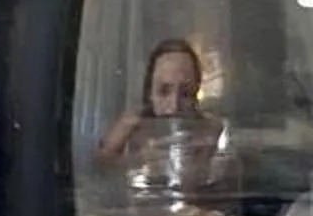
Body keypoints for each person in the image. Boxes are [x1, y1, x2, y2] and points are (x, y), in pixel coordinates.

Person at [95, 38, 227, 188]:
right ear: (149, 92)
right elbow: (100, 170)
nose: (174, 106)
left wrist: (204, 155)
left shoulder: (210, 130)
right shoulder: (131, 124)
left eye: (185, 94)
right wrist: (139, 161)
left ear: (196, 93)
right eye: (163, 91)